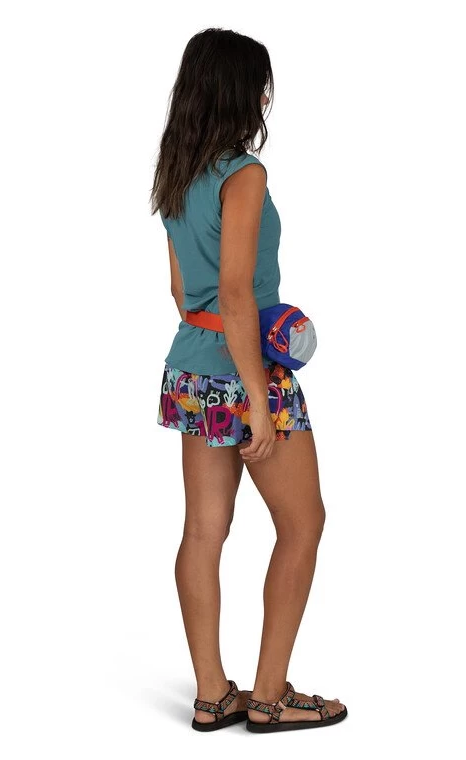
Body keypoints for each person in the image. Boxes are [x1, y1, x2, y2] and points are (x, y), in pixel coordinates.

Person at [149, 28, 347, 733]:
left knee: (204, 531)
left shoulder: (177, 173)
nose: (267, 98)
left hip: (191, 367)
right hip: (247, 369)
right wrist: (259, 403)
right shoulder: (244, 174)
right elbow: (236, 293)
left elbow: (184, 293)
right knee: (303, 523)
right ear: (241, 91)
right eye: (261, 85)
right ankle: (268, 697)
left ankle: (212, 695)